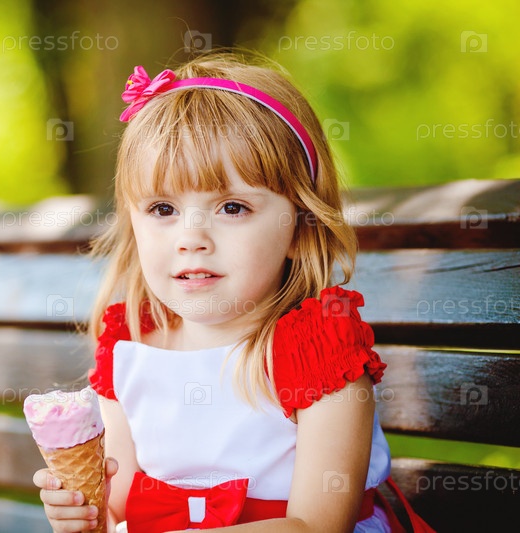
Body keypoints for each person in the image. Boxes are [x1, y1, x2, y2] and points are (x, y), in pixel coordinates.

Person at [33, 52, 433, 533]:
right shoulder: (132, 345)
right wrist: (85, 518)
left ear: (301, 228)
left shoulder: (318, 353)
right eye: (163, 209)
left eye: (232, 207)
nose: (192, 237)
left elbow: (317, 525)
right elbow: (119, 511)